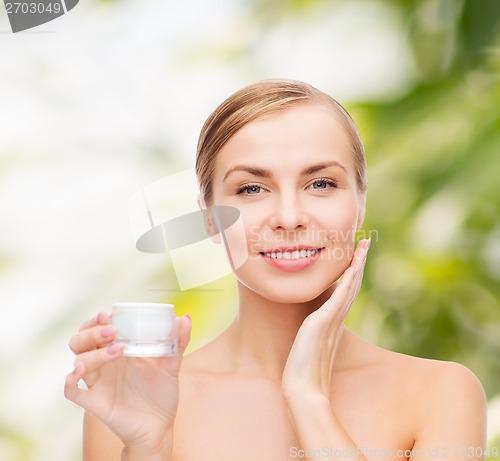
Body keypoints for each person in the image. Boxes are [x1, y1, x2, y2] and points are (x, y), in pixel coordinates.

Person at [65, 79, 487, 461]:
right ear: (210, 220)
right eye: (252, 188)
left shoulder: (440, 393)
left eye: (321, 184)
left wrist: (308, 397)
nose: (289, 217)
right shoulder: (134, 401)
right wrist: (147, 446)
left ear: (360, 204)